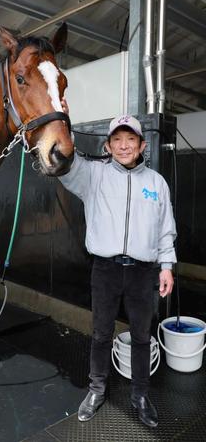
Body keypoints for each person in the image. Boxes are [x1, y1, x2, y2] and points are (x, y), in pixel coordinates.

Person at [59, 108, 177, 428]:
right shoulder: (92, 174)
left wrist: (166, 266)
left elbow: (166, 229)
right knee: (100, 334)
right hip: (106, 270)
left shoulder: (156, 183)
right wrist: (63, 124)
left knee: (141, 335)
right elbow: (64, 162)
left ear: (141, 145)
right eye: (117, 140)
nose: (124, 145)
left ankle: (140, 395)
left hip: (143, 272)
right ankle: (96, 390)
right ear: (108, 146)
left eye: (131, 139)